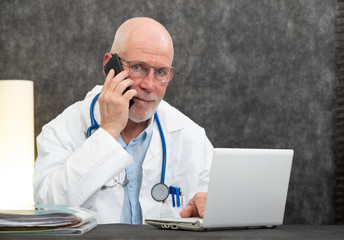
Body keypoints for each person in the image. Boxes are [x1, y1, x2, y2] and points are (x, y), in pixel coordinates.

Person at [33, 17, 213, 224]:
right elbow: (50, 213)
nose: (149, 85)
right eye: (138, 67)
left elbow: (218, 206)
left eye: (161, 72)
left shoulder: (191, 136)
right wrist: (108, 131)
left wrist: (208, 205)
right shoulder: (60, 130)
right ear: (109, 65)